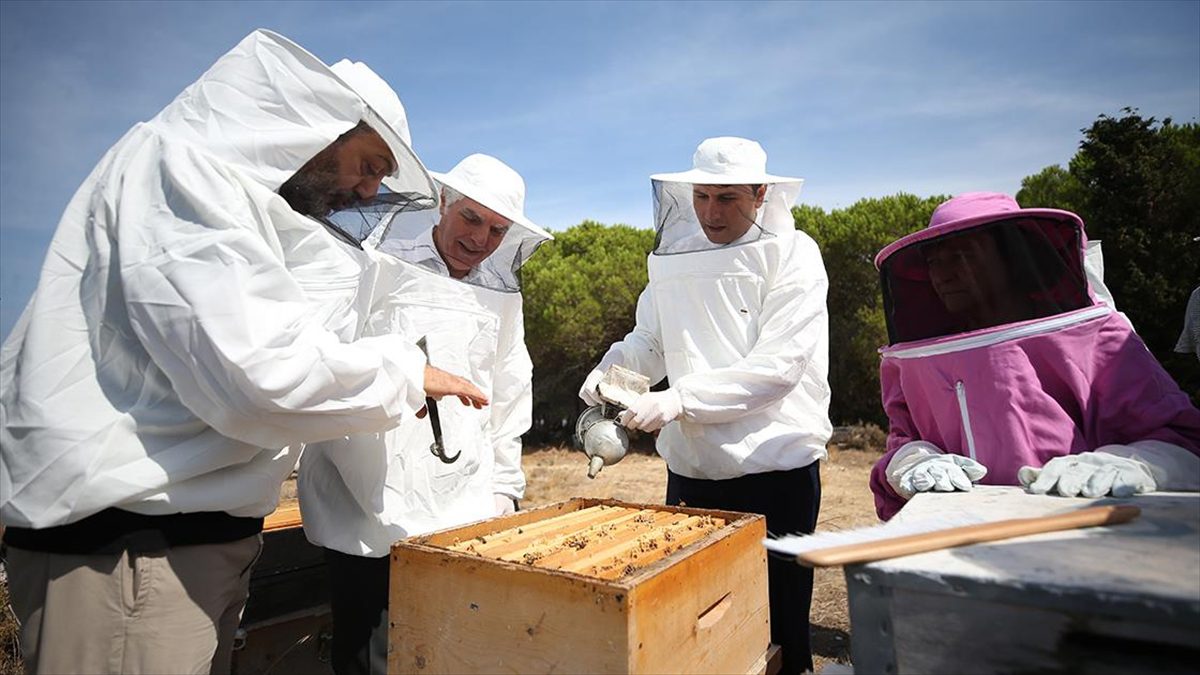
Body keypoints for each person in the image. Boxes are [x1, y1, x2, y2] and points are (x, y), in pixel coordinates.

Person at [0, 30, 487, 675]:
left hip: (173, 544)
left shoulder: (215, 189)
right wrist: (403, 370)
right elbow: (258, 373)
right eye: (368, 165)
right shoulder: (182, 168)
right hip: (131, 548)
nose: (370, 193)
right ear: (315, 129)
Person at [579, 137, 831, 674]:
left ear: (761, 194)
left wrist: (678, 400)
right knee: (700, 627)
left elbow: (779, 366)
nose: (712, 213)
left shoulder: (794, 253)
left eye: (729, 199)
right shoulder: (674, 259)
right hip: (691, 471)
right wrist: (613, 376)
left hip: (775, 471)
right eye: (703, 197)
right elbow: (651, 340)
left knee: (779, 625)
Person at [298, 153, 551, 675]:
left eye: (499, 230)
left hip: (462, 500)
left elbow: (509, 391)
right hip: (365, 497)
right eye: (472, 219)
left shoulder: (502, 296)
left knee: (448, 651)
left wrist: (505, 486)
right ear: (443, 203)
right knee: (367, 651)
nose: (481, 239)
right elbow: (329, 357)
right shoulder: (376, 262)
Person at [869, 192, 1200, 521]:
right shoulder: (917, 360)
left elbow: (1184, 441)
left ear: (1011, 258)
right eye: (934, 262)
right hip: (956, 545)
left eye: (961, 255)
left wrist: (1136, 463)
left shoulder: (1099, 337)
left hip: (1085, 541)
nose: (942, 274)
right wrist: (912, 460)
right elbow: (904, 439)